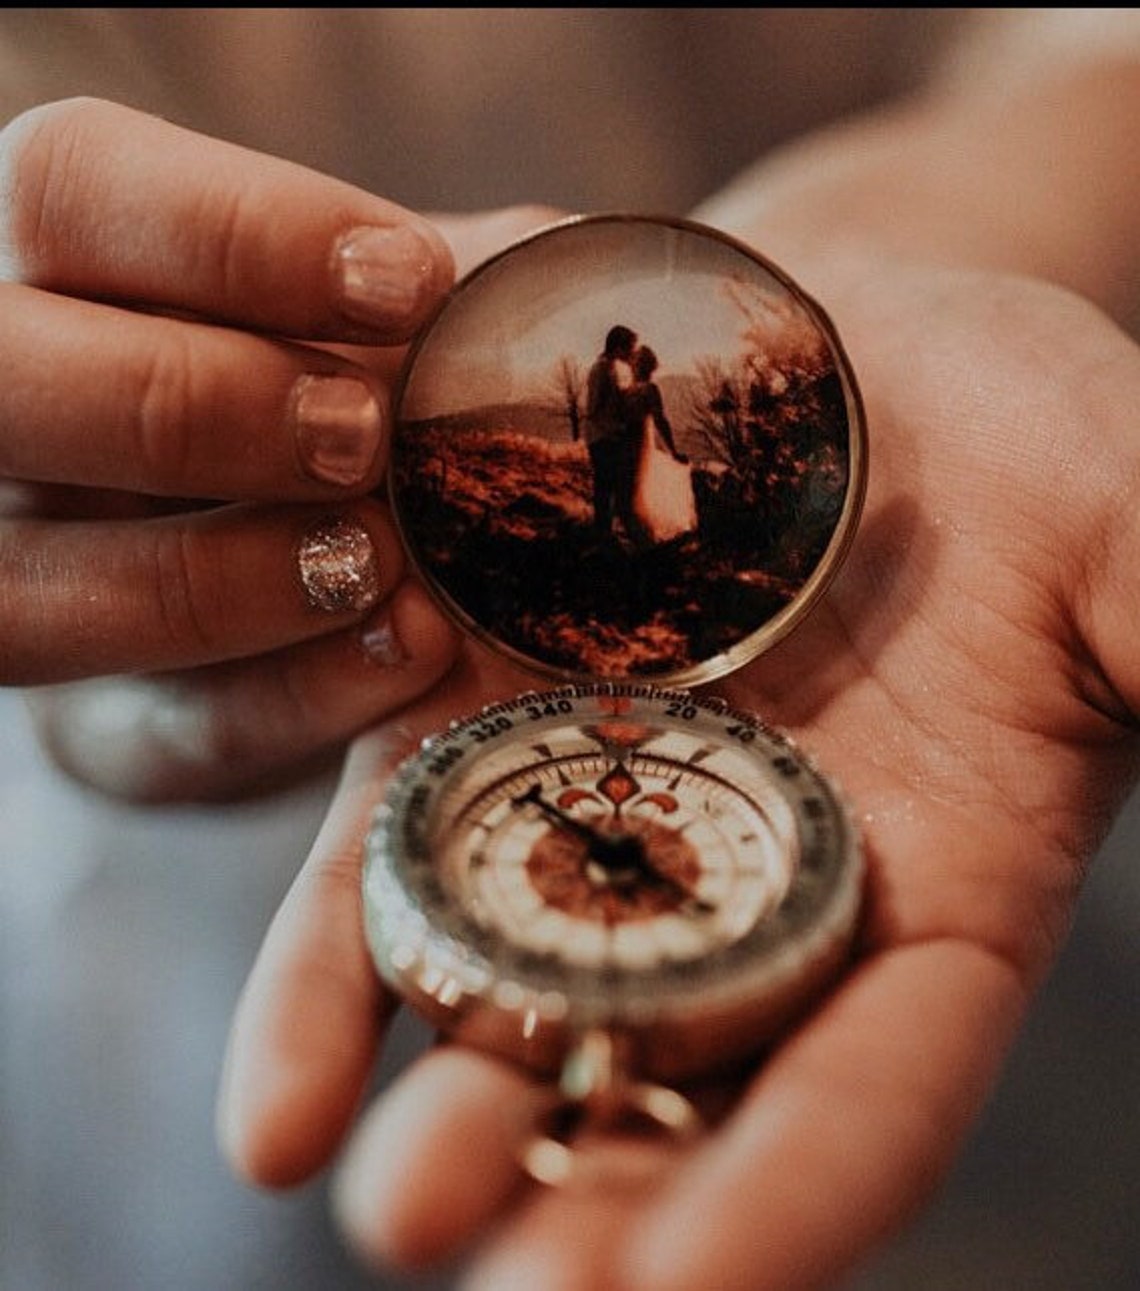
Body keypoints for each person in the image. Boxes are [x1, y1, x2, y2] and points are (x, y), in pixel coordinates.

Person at [3, 10, 1140, 1291]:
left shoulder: (626, 383)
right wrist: (60, 363)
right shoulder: (611, 387)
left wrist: (959, 217)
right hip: (150, 960)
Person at [624, 345, 698, 546]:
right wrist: (672, 450)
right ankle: (645, 540)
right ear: (651, 368)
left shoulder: (626, 391)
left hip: (624, 443)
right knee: (639, 487)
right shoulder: (649, 389)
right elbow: (660, 420)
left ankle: (638, 538)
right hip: (640, 442)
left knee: (631, 489)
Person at [583, 323, 639, 541]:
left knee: (610, 486)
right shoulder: (600, 370)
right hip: (602, 438)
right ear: (617, 347)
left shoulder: (611, 368)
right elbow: (593, 410)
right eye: (629, 348)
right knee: (605, 486)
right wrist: (616, 429)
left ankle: (606, 533)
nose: (632, 353)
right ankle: (602, 534)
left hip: (608, 436)